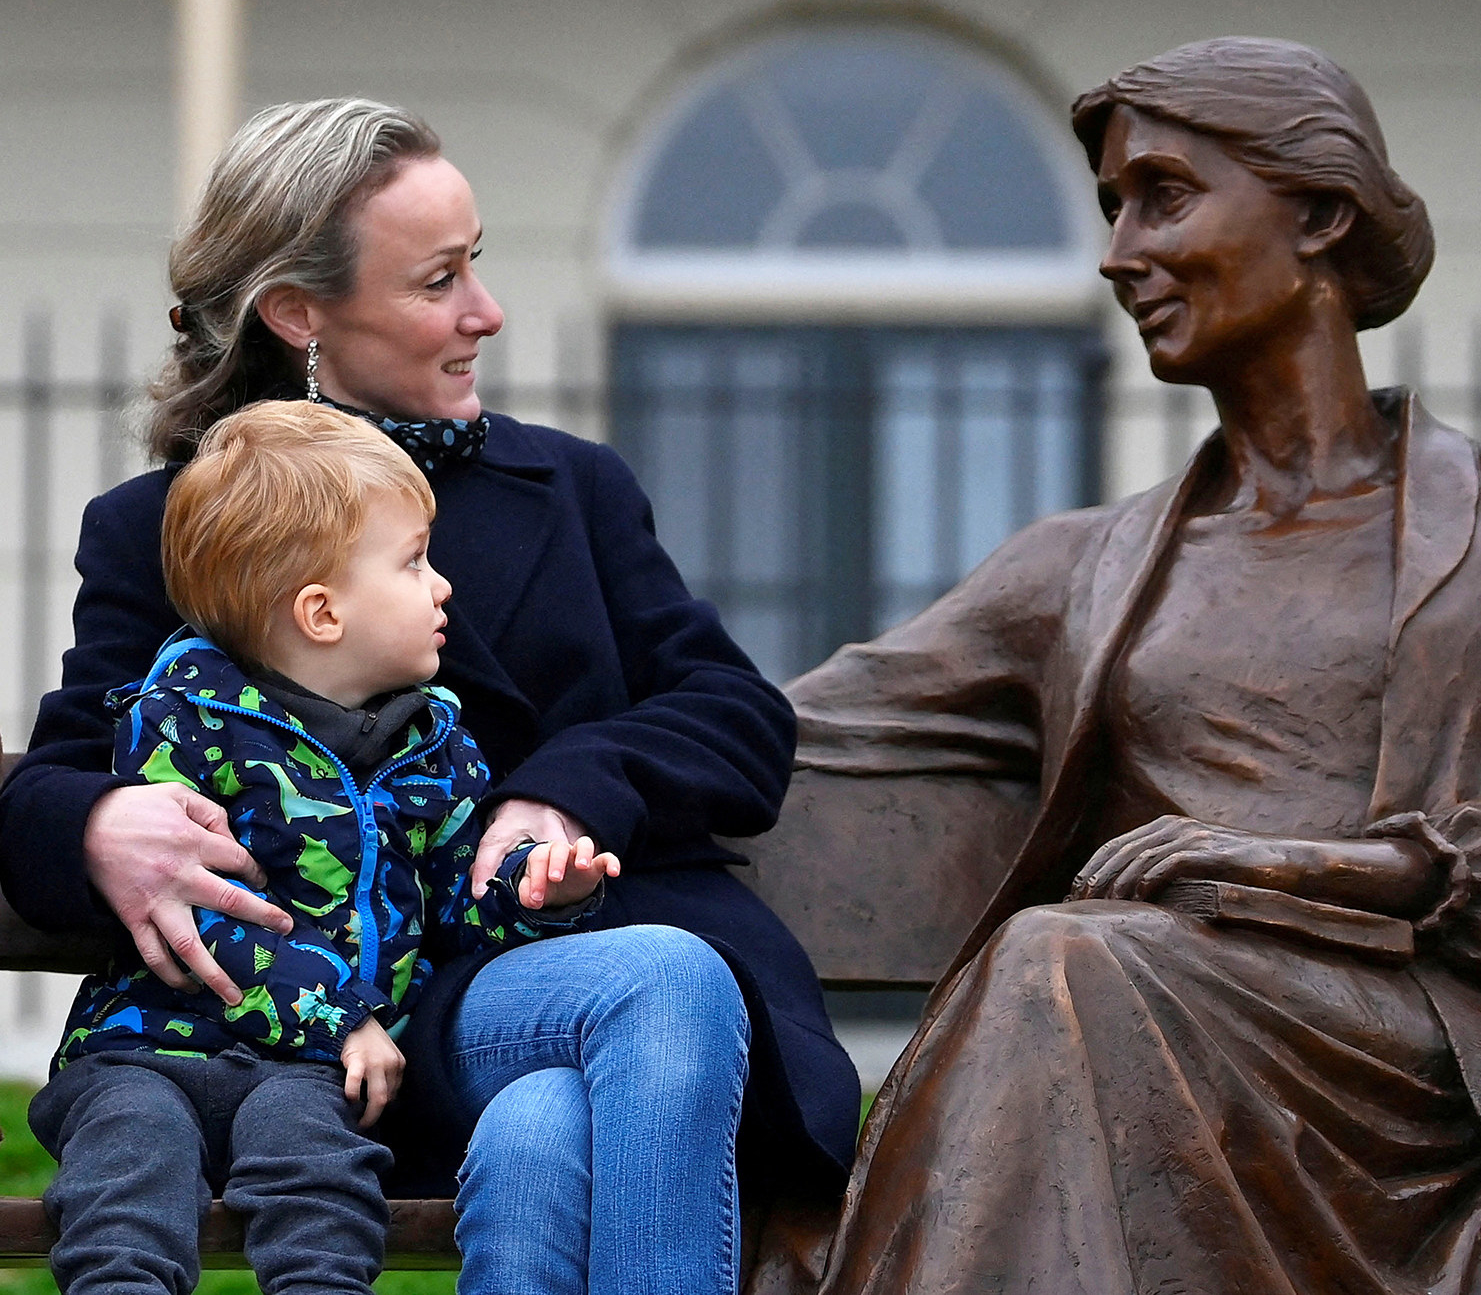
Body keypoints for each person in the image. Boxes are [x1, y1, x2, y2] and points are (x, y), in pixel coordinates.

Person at [751, 38, 1481, 1294]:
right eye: (1112, 207)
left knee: (1061, 963)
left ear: (1320, 215)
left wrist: (1308, 864)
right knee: (1064, 969)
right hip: (1161, 1048)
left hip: (1449, 1067)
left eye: (1163, 195)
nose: (1118, 251)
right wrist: (548, 755)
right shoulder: (1078, 568)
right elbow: (780, 728)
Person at [0, 99, 859, 1295]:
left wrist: (562, 796)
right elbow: (68, 773)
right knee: (608, 1047)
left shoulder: (572, 486)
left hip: (551, 966)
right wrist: (98, 825)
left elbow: (733, 711)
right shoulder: (176, 531)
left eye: (478, 266)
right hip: (339, 1037)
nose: (485, 314)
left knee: (569, 1097)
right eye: (437, 281)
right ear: (299, 313)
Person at [35, 400, 619, 1295]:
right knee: (130, 1168)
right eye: (415, 561)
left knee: (320, 1185)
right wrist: (343, 1017)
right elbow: (192, 907)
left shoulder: (438, 746)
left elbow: (450, 911)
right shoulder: (188, 722)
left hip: (303, 1070)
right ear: (320, 611)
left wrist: (535, 896)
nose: (443, 587)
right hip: (146, 1047)